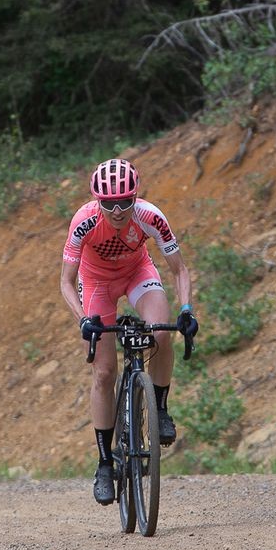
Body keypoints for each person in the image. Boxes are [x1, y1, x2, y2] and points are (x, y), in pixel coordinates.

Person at [59, 157, 198, 505]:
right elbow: (65, 281)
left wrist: (185, 310)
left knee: (162, 333)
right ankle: (106, 463)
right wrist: (82, 319)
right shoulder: (84, 221)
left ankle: (160, 409)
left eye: (125, 201)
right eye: (109, 203)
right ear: (97, 201)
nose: (118, 210)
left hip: (138, 274)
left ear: (136, 197)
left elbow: (179, 270)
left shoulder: (151, 216)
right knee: (104, 372)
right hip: (96, 284)